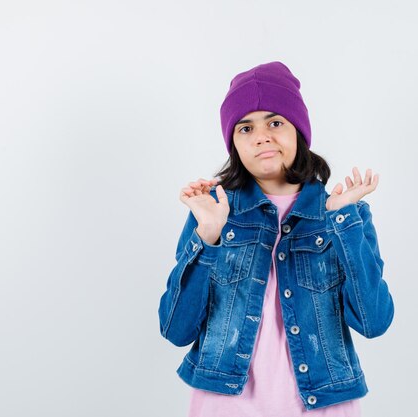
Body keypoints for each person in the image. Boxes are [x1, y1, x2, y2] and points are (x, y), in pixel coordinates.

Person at [158, 61, 394, 416]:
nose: (261, 136)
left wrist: (341, 220)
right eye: (245, 127)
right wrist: (208, 235)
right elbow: (176, 330)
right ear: (233, 143)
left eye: (275, 122)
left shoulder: (344, 215)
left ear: (298, 131)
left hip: (321, 405)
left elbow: (374, 322)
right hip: (226, 406)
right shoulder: (212, 213)